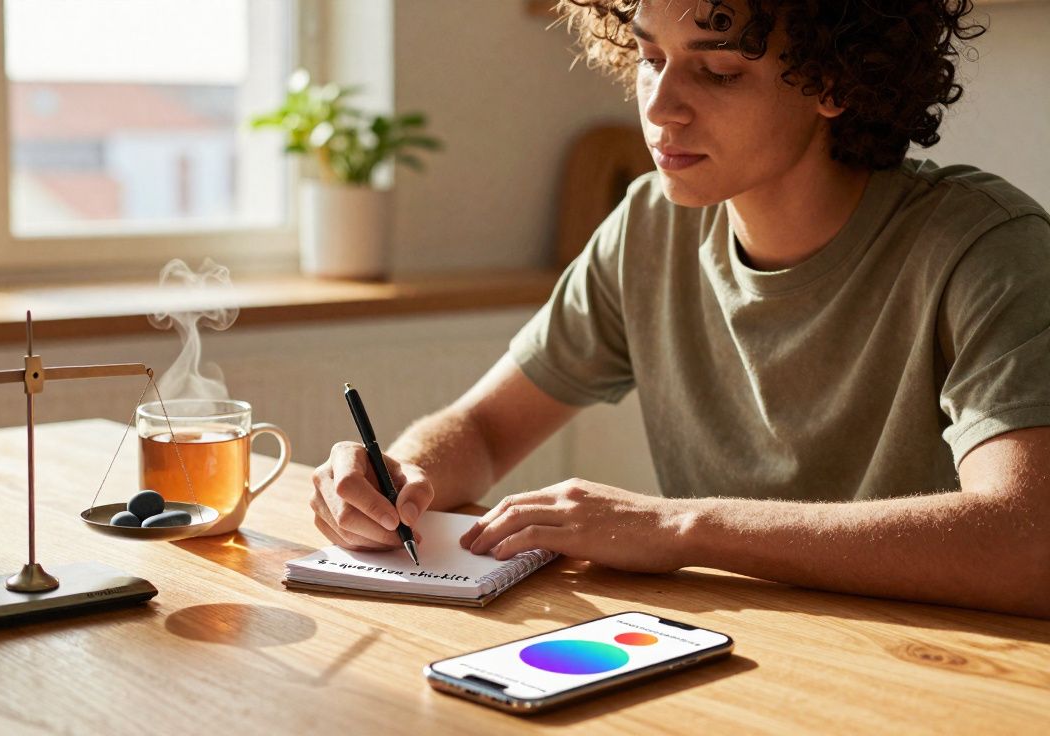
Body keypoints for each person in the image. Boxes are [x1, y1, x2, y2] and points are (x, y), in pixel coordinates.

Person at [310, 0, 1050, 618]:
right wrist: (398, 475)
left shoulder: (985, 247)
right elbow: (482, 428)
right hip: (726, 665)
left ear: (834, 77)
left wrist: (681, 527)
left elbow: (1029, 539)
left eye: (718, 70)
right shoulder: (648, 228)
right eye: (650, 58)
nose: (660, 108)